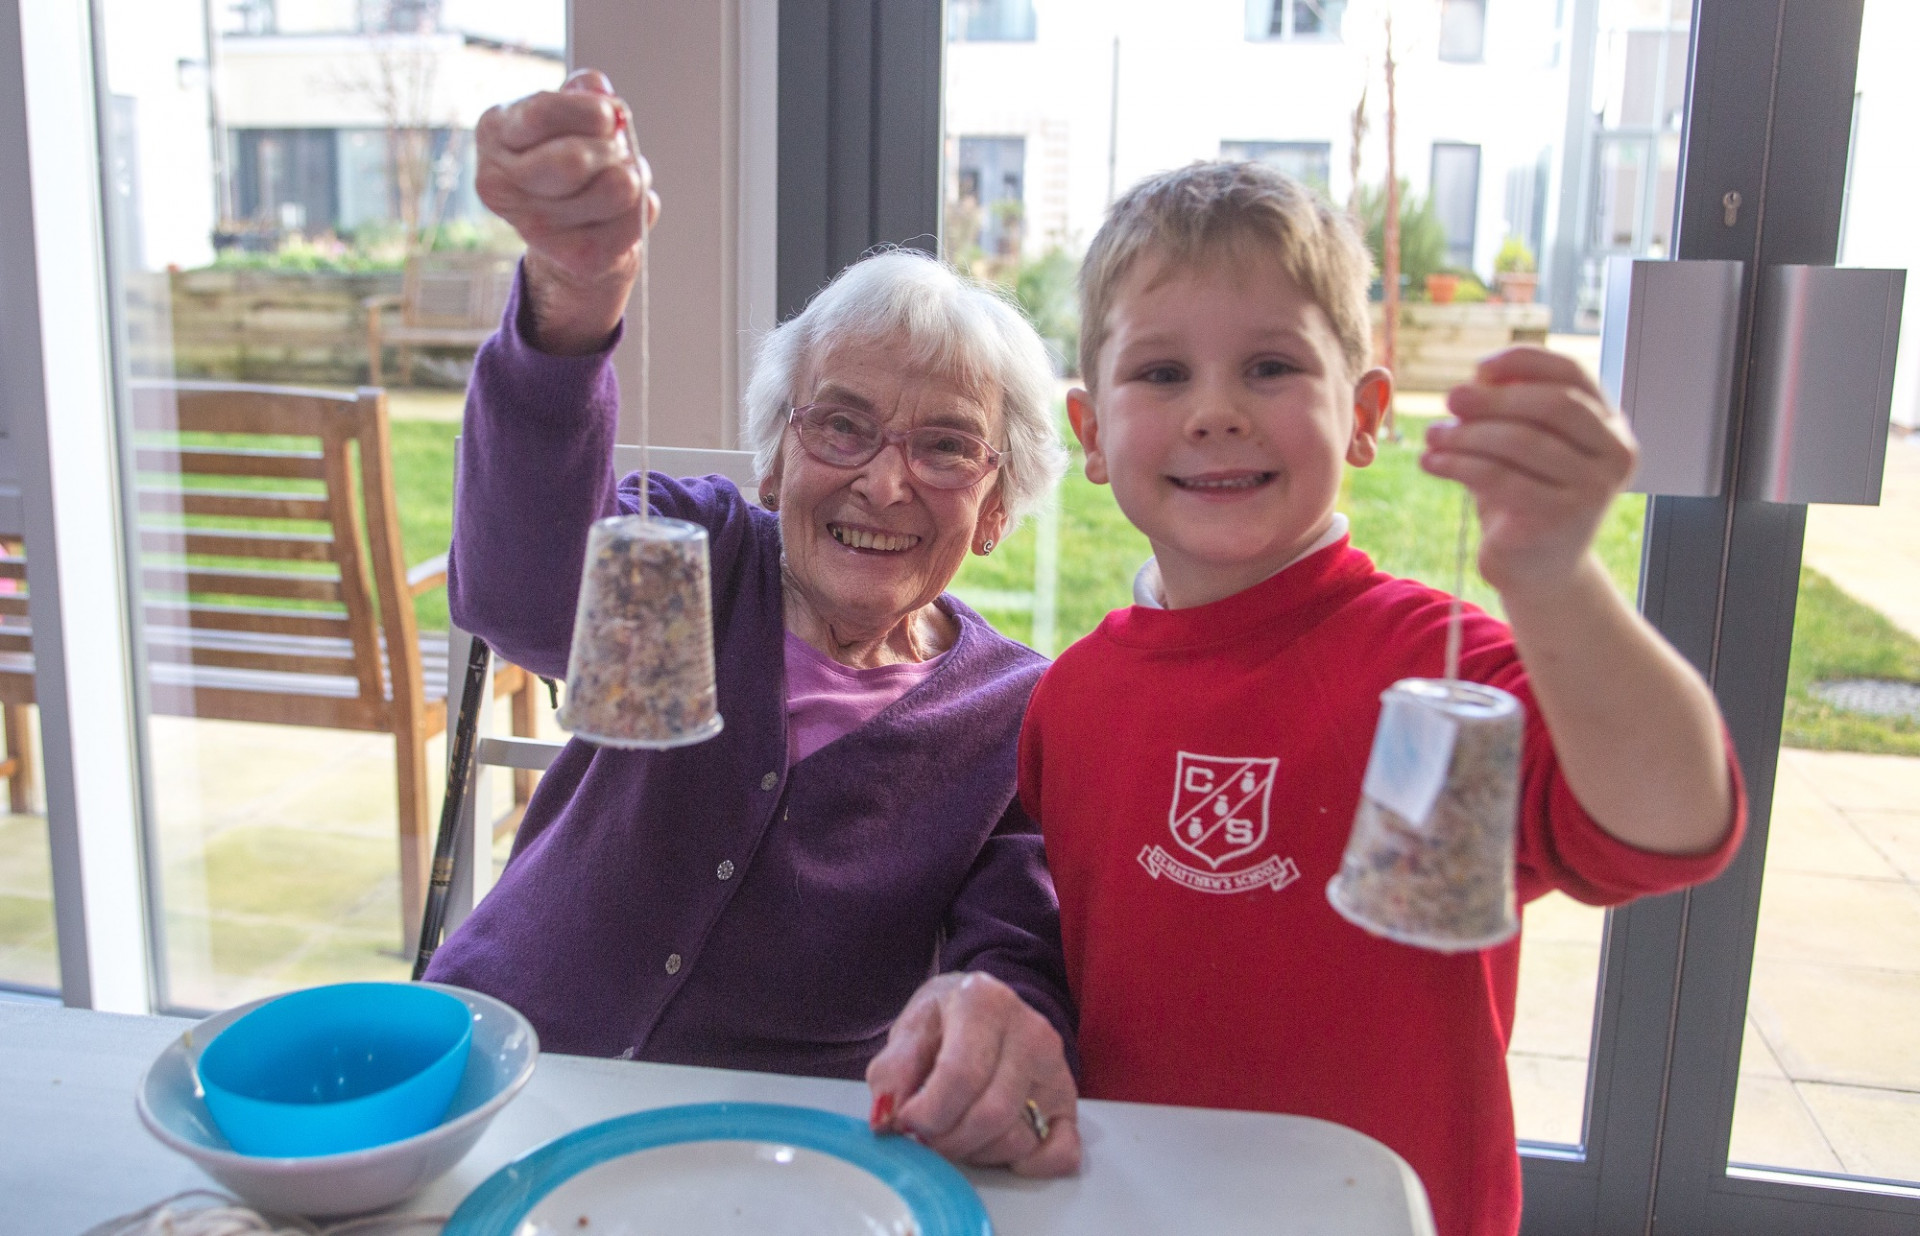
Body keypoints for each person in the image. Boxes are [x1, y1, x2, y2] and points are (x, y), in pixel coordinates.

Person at [1018, 160, 1747, 1235]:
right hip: (1136, 1207)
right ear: (1088, 432)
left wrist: (1554, 576)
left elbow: (1669, 826)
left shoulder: (1433, 675)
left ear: (1362, 416)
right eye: (1162, 374)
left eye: (1271, 366)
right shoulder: (1072, 700)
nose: (1215, 411)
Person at [423, 70, 1081, 1176]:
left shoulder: (1012, 712)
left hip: (765, 1159)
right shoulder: (693, 557)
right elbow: (518, 590)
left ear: (999, 504)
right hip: (499, 1077)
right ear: (775, 456)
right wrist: (572, 302)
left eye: (947, 447)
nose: (883, 484)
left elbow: (1016, 950)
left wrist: (994, 1025)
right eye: (843, 426)